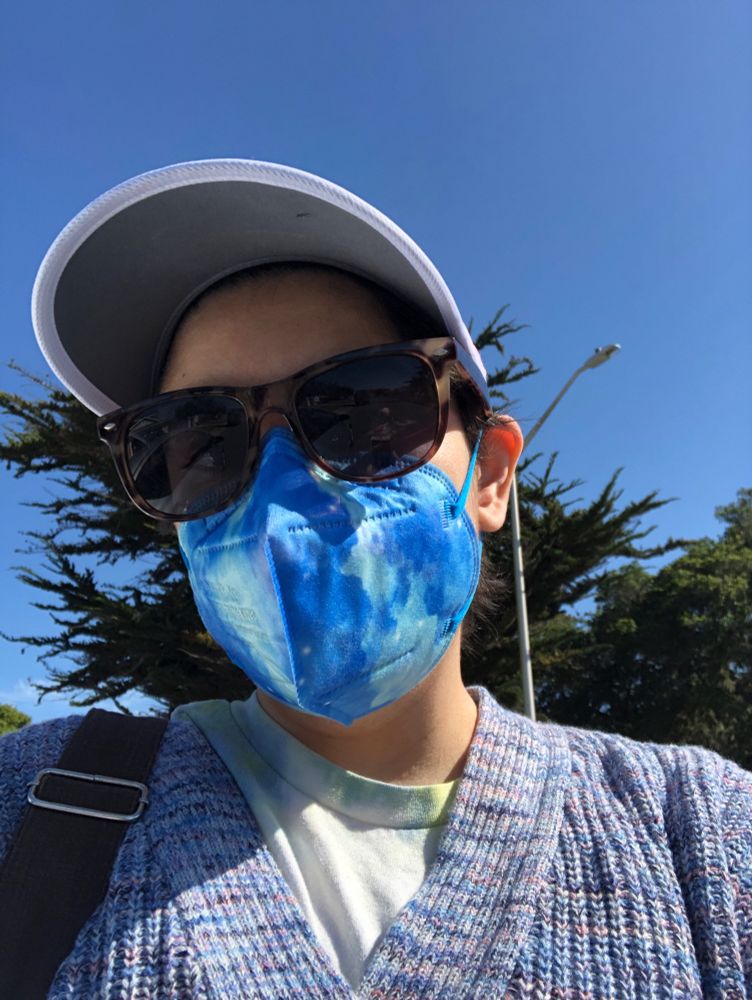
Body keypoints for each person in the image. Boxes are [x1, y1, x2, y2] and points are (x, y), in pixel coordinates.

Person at [1, 158, 750, 998]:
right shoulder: (30, 814)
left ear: (494, 476)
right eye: (196, 440)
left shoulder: (705, 839)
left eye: (363, 406)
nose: (281, 499)